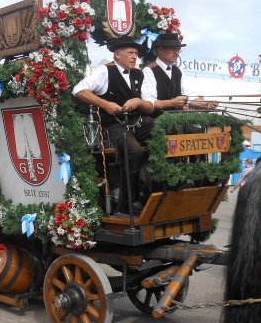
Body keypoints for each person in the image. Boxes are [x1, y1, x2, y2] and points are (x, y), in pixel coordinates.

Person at [73, 36, 154, 213]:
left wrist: (138, 102)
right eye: (131, 53)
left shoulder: (139, 74)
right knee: (134, 151)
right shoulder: (104, 71)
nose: (135, 57)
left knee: (164, 133)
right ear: (117, 55)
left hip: (138, 121)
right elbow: (78, 90)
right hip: (114, 125)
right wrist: (105, 105)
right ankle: (130, 201)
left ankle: (163, 187)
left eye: (137, 54)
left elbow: (150, 104)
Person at [141, 32, 218, 115]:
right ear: (160, 50)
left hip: (177, 120)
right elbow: (148, 102)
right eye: (173, 49)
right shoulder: (148, 71)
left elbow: (189, 96)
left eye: (178, 49)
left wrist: (206, 103)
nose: (176, 53)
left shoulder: (179, 71)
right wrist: (171, 103)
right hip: (155, 122)